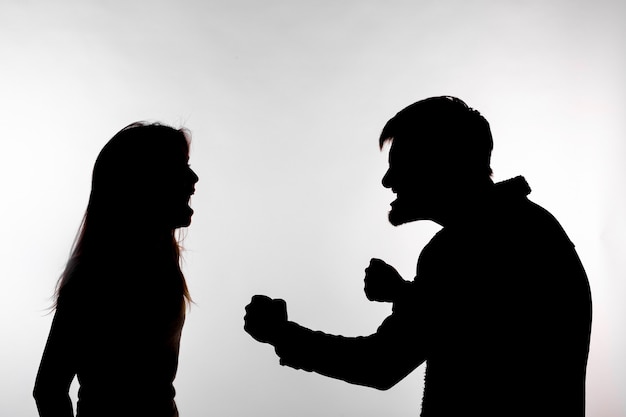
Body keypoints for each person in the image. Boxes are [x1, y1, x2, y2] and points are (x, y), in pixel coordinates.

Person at [244, 96, 592, 416]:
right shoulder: (531, 228)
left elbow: (381, 364)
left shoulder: (460, 248)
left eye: (400, 164)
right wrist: (407, 294)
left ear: (440, 163)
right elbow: (481, 320)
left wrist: (281, 333)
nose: (387, 180)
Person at [34, 122, 199, 417]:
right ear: (142, 181)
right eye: (178, 166)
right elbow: (49, 388)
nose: (193, 178)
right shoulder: (94, 280)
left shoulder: (161, 269)